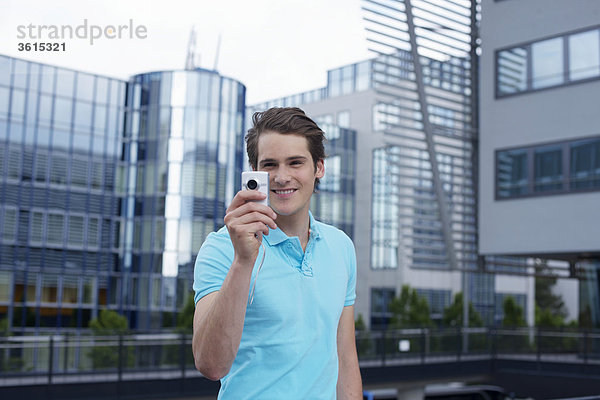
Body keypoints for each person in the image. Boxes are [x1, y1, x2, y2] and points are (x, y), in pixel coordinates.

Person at [192, 107, 362, 399]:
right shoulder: (221, 248)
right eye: (270, 165)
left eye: (295, 163)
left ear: (319, 168)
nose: (282, 177)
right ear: (254, 171)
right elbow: (211, 365)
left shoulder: (341, 246)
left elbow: (345, 359)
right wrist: (243, 261)